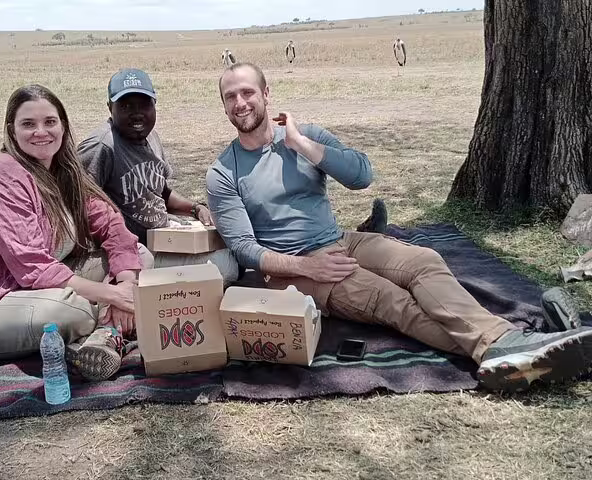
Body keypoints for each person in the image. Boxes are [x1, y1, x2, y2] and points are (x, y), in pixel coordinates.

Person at [207, 62, 592, 393]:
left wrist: (304, 146)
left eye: (247, 92)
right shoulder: (223, 172)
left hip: (340, 240)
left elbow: (361, 176)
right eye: (230, 97)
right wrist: (309, 268)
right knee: (393, 301)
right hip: (295, 269)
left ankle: (511, 345)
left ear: (266, 93)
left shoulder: (306, 136)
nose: (240, 103)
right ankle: (508, 346)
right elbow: (245, 249)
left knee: (423, 260)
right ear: (223, 105)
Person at [0, 84, 142, 381]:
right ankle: (107, 327)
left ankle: (104, 335)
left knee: (137, 259)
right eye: (28, 124)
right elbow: (33, 268)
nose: (41, 132)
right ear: (11, 130)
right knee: (73, 311)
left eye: (49, 122)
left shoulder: (62, 170)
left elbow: (110, 225)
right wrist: (115, 295)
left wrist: (126, 284)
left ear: (63, 126)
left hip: (37, 287)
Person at [78, 68, 240, 284]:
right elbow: (79, 207)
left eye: (144, 104)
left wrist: (195, 208)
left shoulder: (150, 136)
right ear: (110, 108)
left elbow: (160, 192)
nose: (137, 113)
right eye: (126, 106)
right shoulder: (102, 146)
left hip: (164, 238)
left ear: (155, 104)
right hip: (133, 251)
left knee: (231, 244)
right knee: (226, 267)